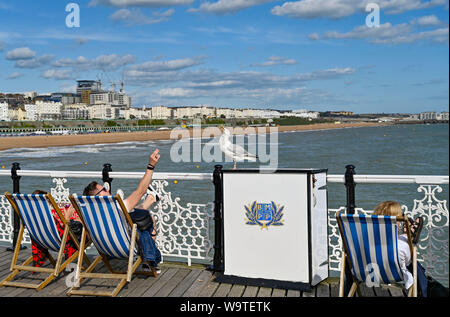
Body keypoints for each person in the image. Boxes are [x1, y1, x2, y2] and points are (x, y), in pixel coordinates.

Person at [82, 148, 162, 273]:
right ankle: (149, 259)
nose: (107, 189)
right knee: (148, 220)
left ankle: (150, 199)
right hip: (126, 248)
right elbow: (140, 191)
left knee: (133, 213)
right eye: (103, 189)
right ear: (97, 195)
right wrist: (151, 166)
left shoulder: (87, 211)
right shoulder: (117, 206)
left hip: (105, 248)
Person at [372, 201, 427, 296]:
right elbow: (407, 260)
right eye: (400, 218)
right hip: (394, 274)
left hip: (367, 273)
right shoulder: (400, 244)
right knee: (414, 263)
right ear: (395, 221)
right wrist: (406, 239)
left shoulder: (364, 241)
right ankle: (409, 236)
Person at [30, 190, 82, 268]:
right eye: (49, 202)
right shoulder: (45, 215)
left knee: (78, 222)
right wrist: (67, 217)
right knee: (83, 228)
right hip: (62, 243)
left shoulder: (32, 216)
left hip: (43, 242)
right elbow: (64, 235)